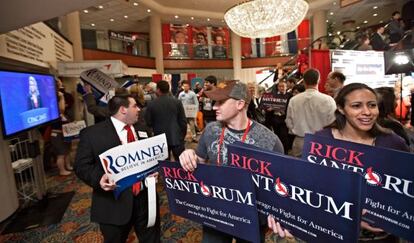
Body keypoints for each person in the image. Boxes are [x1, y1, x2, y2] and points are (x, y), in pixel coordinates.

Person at [269, 83, 409, 242]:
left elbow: (406, 191)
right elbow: (309, 190)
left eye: (372, 105)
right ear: (341, 109)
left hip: (380, 238)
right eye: (356, 106)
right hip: (332, 233)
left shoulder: (392, 143)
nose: (367, 112)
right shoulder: (322, 141)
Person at [179, 80, 284, 243]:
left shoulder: (270, 140)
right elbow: (198, 160)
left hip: (251, 215)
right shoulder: (211, 130)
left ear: (240, 104)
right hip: (216, 211)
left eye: (221, 102)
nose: (214, 107)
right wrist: (189, 153)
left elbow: (279, 184)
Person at [74, 94, 160, 243]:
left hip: (146, 200)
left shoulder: (143, 129)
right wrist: (99, 178)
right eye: (134, 106)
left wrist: (155, 169)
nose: (139, 109)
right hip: (114, 204)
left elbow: (153, 158)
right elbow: (81, 166)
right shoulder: (92, 134)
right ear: (123, 109)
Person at [285, 68, 336, 157]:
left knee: (300, 169)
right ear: (319, 80)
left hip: (301, 141)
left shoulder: (294, 100)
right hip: (322, 143)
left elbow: (289, 122)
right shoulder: (328, 100)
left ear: (303, 81)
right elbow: (334, 123)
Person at [145, 80, 187, 160]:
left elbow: (148, 122)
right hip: (177, 138)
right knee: (181, 165)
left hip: (160, 140)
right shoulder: (177, 102)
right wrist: (182, 136)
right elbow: (183, 121)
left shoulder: (151, 104)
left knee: (164, 166)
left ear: (158, 89)